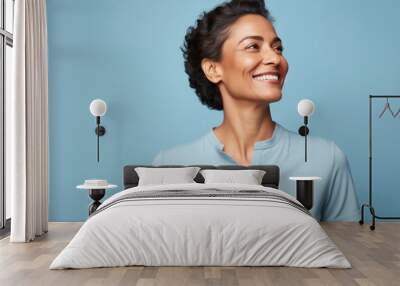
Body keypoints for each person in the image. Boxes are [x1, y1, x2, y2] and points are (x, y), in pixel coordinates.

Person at [153, 0, 359, 221]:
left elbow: (347, 245)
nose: (275, 58)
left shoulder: (327, 159)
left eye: (278, 47)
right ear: (213, 69)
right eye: (253, 46)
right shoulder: (168, 165)